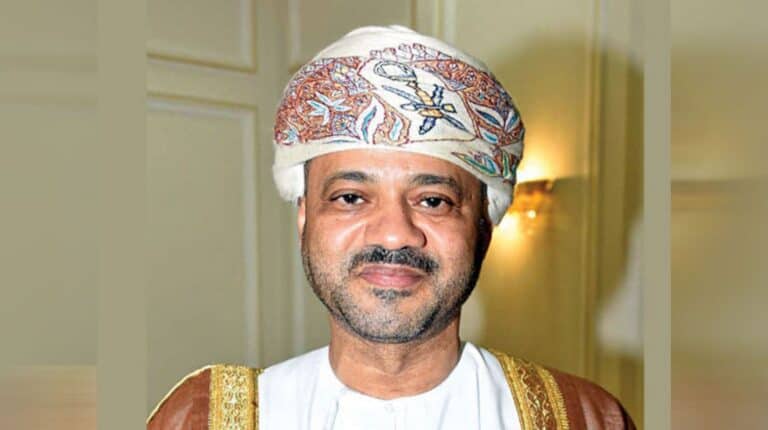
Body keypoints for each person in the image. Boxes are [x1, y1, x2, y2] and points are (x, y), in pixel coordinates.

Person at [147, 25, 635, 430]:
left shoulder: (584, 419)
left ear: (483, 228)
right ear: (304, 218)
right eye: (351, 198)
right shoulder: (205, 419)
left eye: (433, 201)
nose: (394, 233)